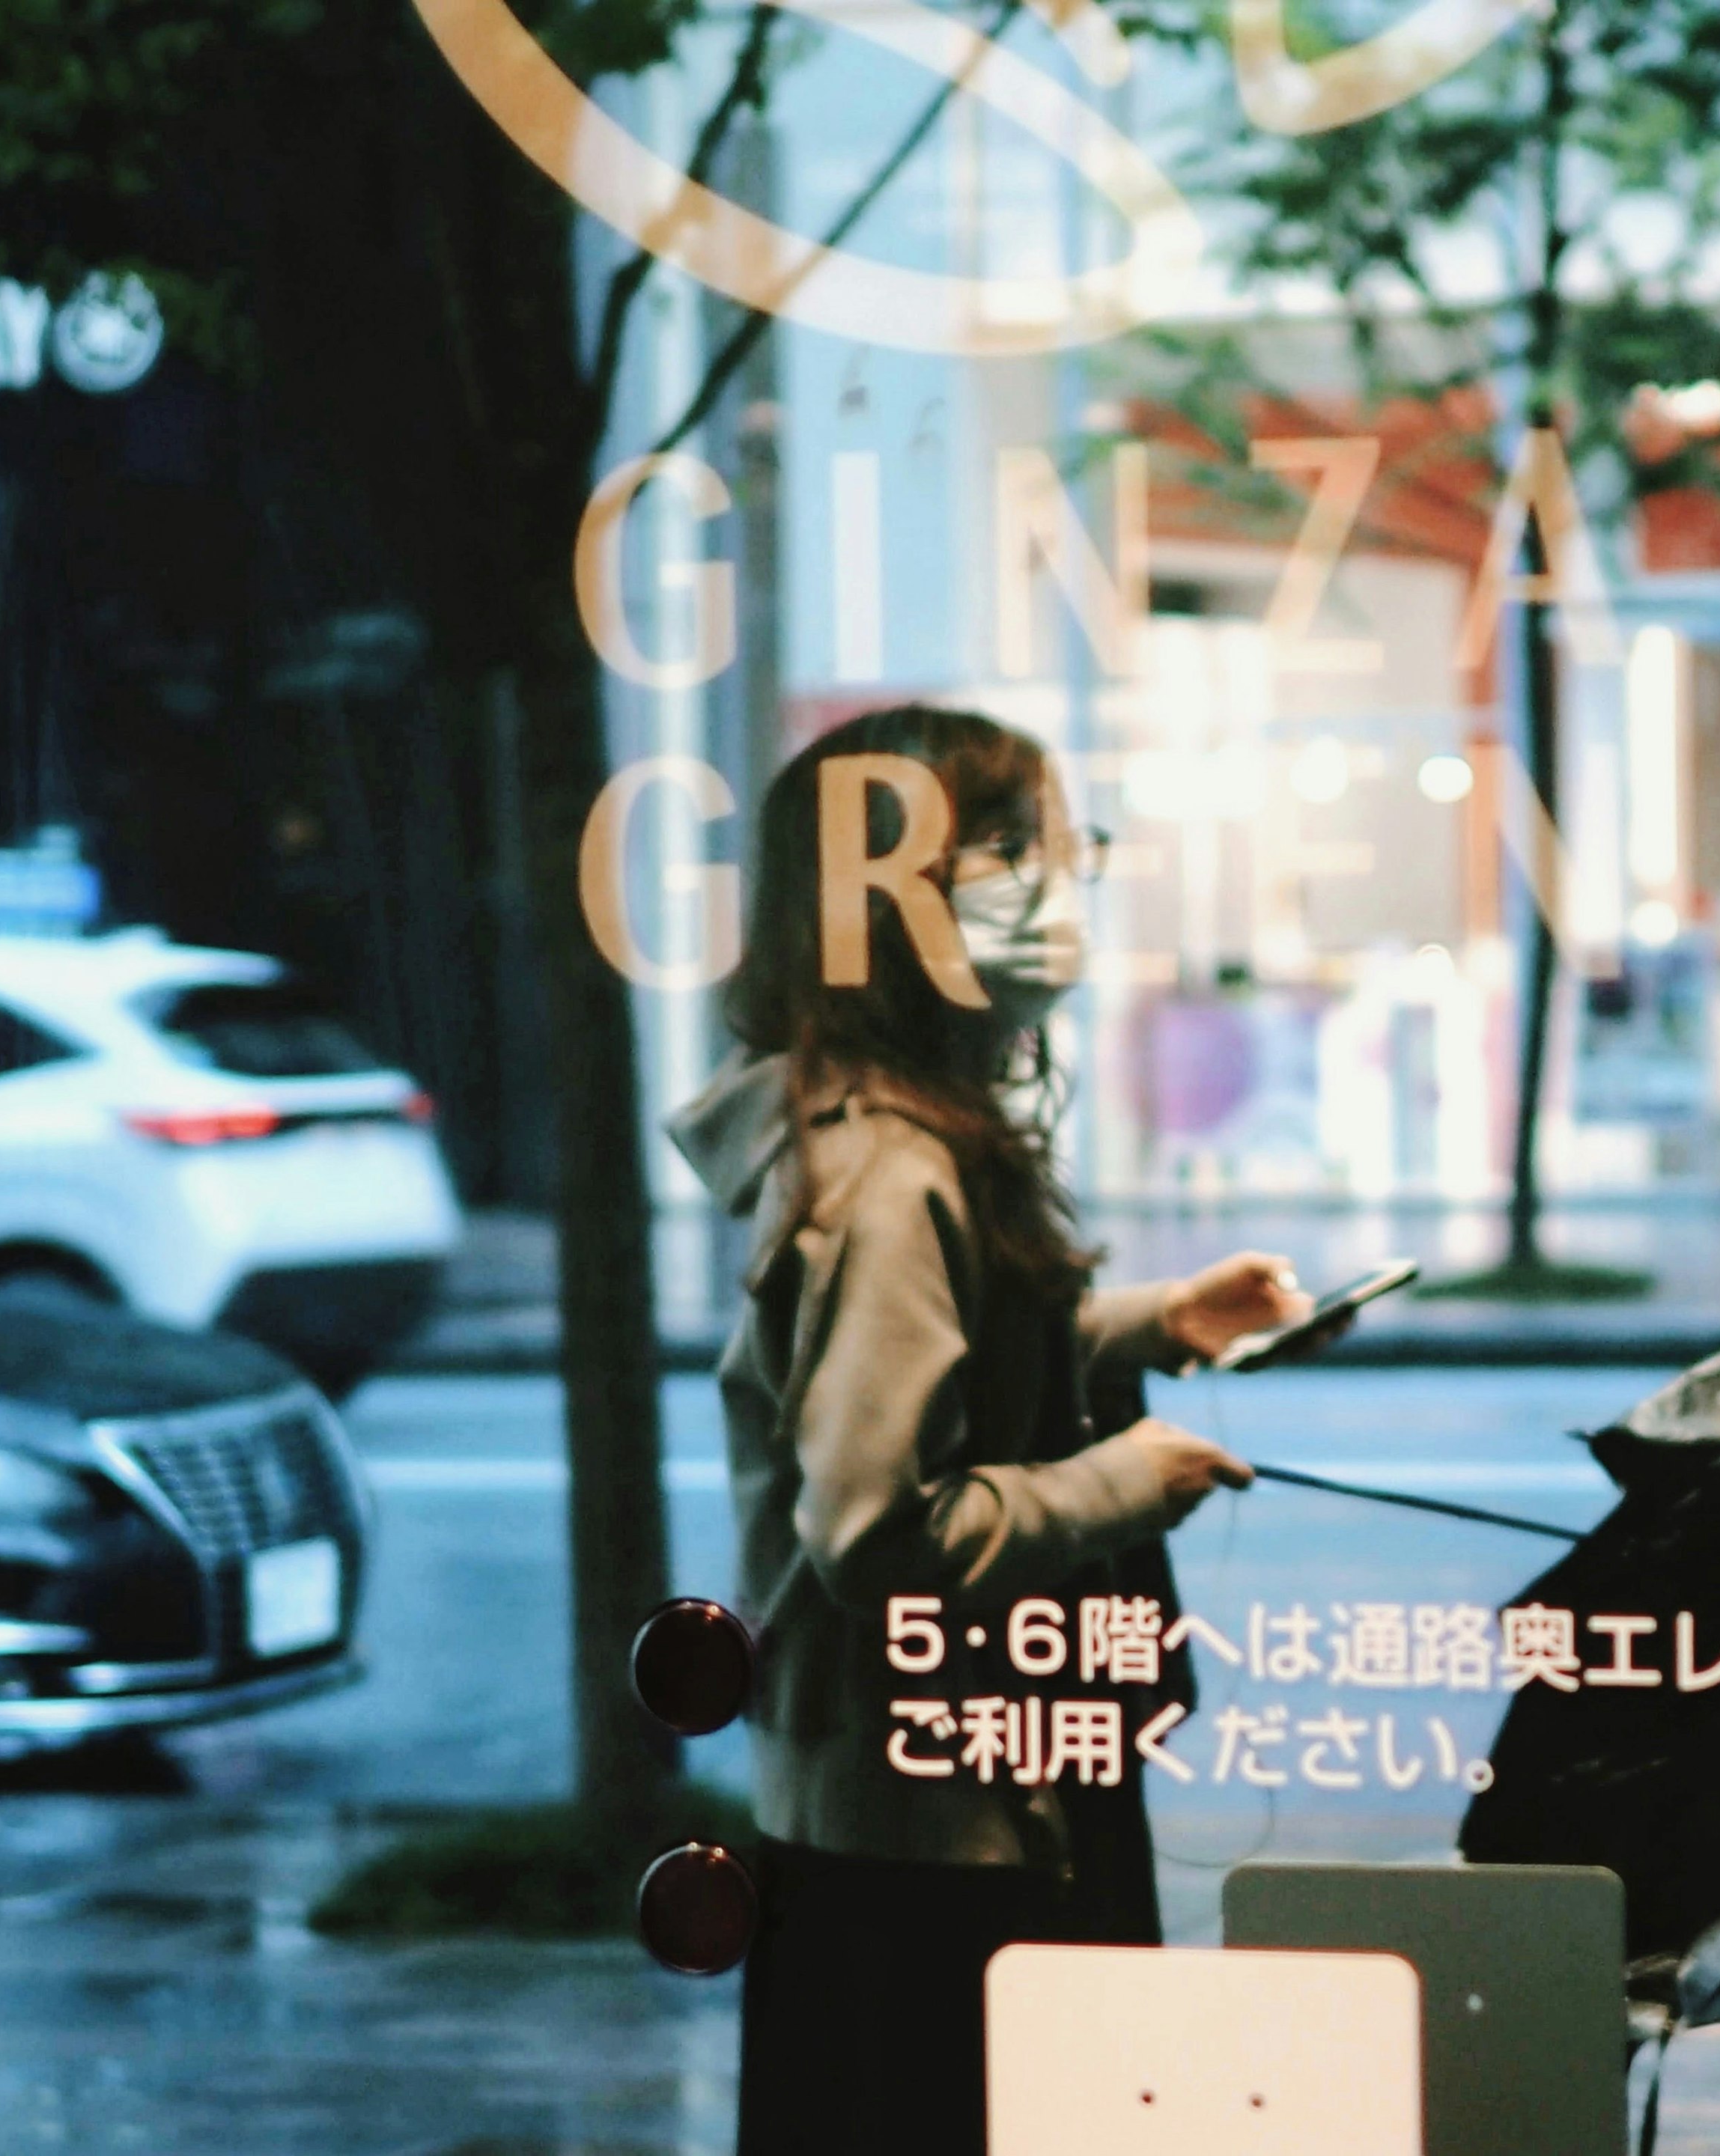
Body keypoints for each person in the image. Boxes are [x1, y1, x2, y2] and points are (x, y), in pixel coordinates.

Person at [666, 704, 1319, 2156]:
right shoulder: (891, 1175)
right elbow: (877, 1530)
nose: (1054, 882)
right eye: (1008, 850)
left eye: (1057, 844)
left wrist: (1154, 1323)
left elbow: (932, 1371)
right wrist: (1119, 1484)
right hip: (936, 1840)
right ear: (886, 909)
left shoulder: (897, 1136)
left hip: (952, 1800)